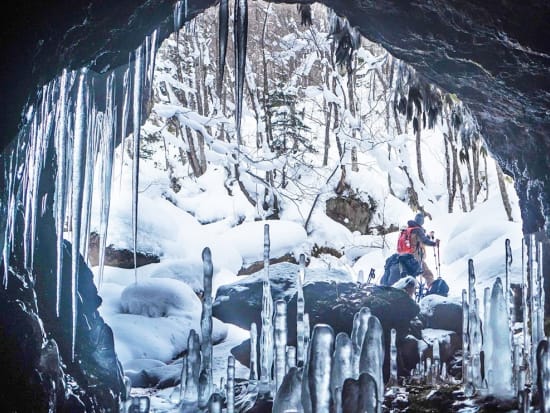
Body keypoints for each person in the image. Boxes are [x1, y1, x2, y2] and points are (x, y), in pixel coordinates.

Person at [403, 213, 439, 290]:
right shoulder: (418, 230)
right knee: (428, 274)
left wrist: (428, 236)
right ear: (422, 222)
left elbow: (419, 240)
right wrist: (434, 243)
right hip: (416, 258)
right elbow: (425, 241)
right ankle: (432, 291)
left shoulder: (409, 229)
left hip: (406, 257)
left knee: (410, 277)